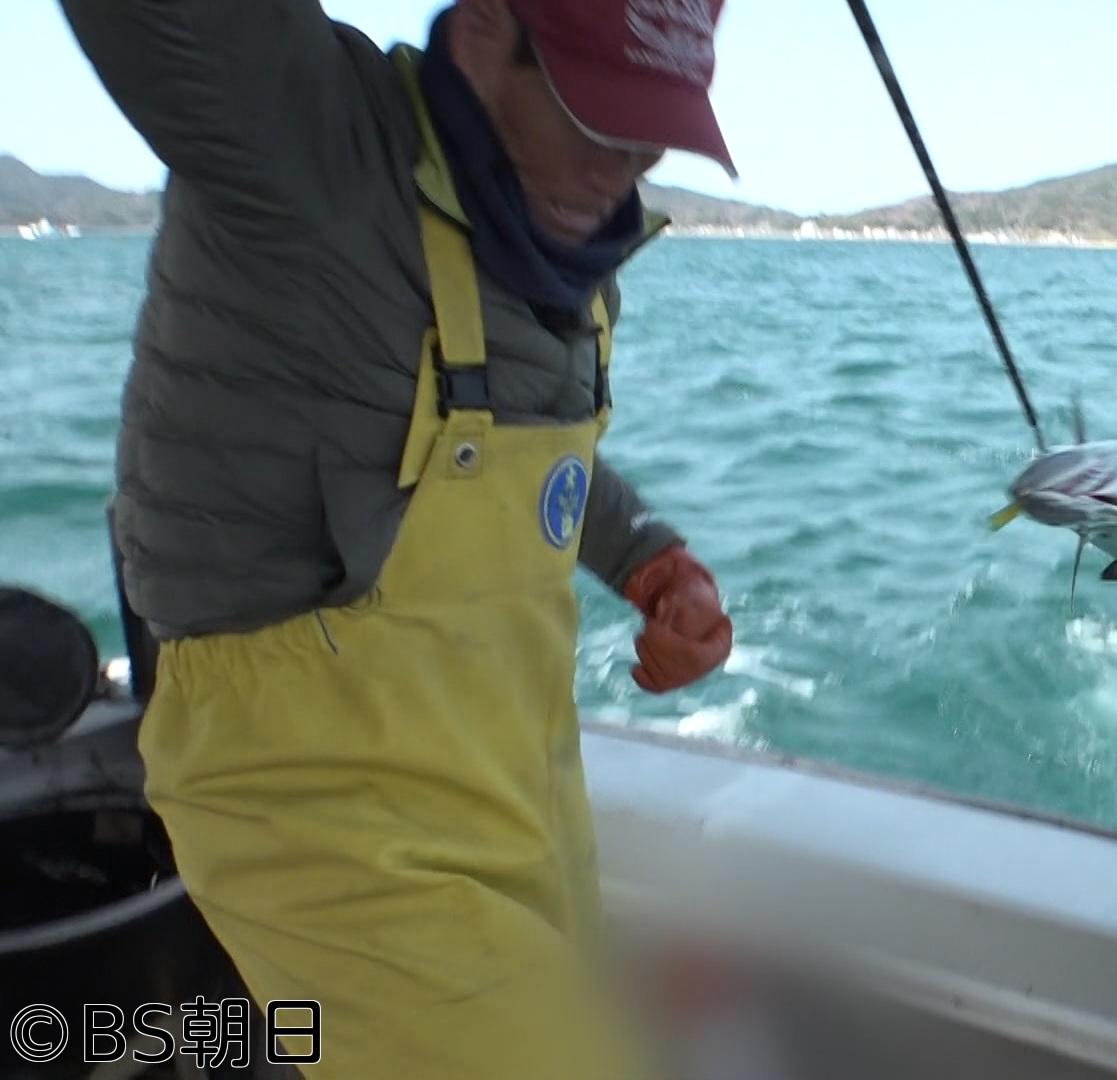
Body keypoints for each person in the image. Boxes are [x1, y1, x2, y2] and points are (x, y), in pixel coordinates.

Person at [59, 0, 736, 1074]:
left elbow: (532, 453)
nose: (622, 166)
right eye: (595, 117)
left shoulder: (566, 240)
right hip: (311, 803)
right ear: (480, 38)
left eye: (649, 128)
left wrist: (649, 554)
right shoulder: (297, 132)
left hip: (517, 781)